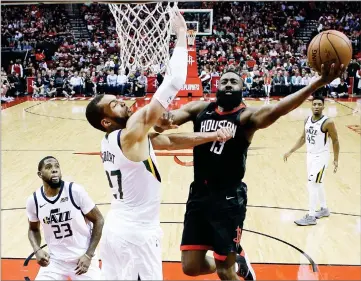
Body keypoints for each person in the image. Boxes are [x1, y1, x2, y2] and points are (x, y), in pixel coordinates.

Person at [154, 64, 344, 280]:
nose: (227, 84)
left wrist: (317, 83)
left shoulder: (246, 118)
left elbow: (279, 109)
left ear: (242, 89)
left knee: (225, 272)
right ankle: (238, 263)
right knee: (190, 267)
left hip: (229, 198)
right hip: (199, 194)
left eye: (233, 82)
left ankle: (233, 266)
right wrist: (163, 121)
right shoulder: (199, 109)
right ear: (216, 86)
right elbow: (165, 124)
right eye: (224, 81)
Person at [85, 10, 233, 280]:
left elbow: (168, 140)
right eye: (115, 104)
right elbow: (174, 82)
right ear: (106, 121)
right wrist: (180, 36)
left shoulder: (115, 140)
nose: (123, 102)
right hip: (137, 237)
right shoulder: (131, 132)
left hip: (117, 231)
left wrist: (211, 136)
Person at [26, 156, 104, 280]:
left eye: (57, 166)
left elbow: (99, 220)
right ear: (40, 174)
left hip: (82, 258)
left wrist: (89, 255)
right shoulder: (34, 201)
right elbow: (33, 229)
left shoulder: (75, 191)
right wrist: (37, 250)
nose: (54, 170)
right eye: (49, 167)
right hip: (55, 261)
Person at [284, 95, 340, 226]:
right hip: (310, 156)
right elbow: (303, 138)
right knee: (318, 183)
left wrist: (336, 159)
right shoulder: (307, 120)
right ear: (311, 106)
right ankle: (324, 209)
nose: (316, 106)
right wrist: (291, 151)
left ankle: (311, 215)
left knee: (312, 184)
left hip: (322, 157)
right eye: (314, 104)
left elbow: (336, 140)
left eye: (319, 104)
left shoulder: (328, 122)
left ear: (323, 107)